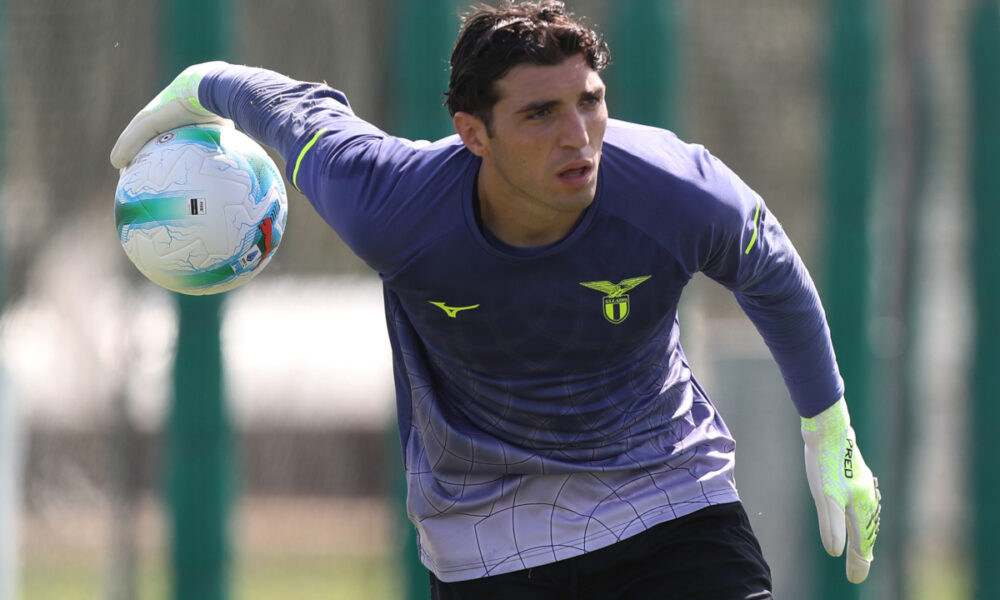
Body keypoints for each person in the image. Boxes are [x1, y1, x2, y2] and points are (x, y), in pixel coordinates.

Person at [111, 2, 880, 598]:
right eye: (540, 114)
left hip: (667, 497)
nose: (578, 137)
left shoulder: (678, 190)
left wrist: (829, 429)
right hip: (486, 535)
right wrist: (198, 84)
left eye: (590, 101)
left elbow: (773, 273)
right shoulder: (392, 205)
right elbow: (290, 109)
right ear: (472, 133)